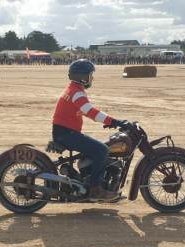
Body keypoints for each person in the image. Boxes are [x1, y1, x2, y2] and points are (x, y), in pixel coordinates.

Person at [52, 59, 128, 200]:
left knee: (97, 148)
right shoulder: (76, 92)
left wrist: (109, 121)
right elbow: (91, 111)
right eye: (90, 74)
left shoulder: (73, 89)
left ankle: (87, 180)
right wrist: (114, 121)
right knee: (102, 150)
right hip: (67, 134)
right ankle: (96, 189)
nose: (92, 78)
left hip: (64, 132)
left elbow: (86, 112)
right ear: (82, 77)